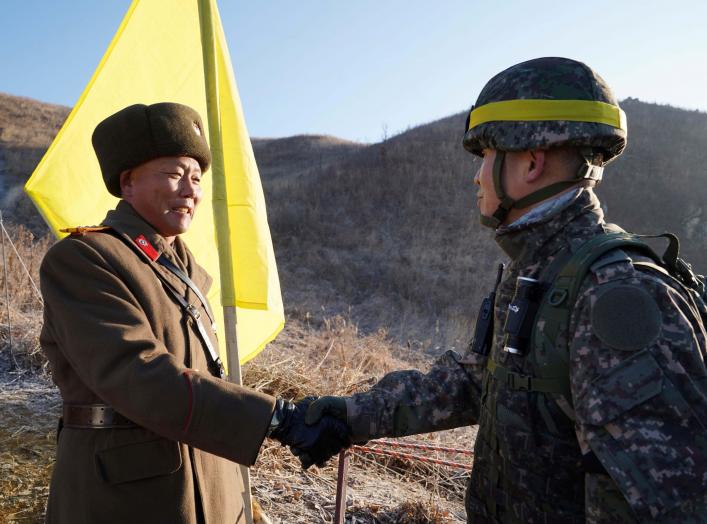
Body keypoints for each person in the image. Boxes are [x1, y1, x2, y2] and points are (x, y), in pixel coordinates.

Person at [306, 57, 707, 523]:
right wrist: (347, 415)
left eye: (486, 158)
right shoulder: (538, 275)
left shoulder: (616, 296)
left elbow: (666, 506)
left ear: (531, 161)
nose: (476, 177)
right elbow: (476, 383)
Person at [39, 102, 348, 524]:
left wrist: (242, 502)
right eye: (173, 174)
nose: (191, 190)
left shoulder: (187, 271)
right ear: (128, 182)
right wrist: (277, 419)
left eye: (197, 178)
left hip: (211, 486)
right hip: (128, 498)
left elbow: (205, 380)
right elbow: (139, 374)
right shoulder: (84, 259)